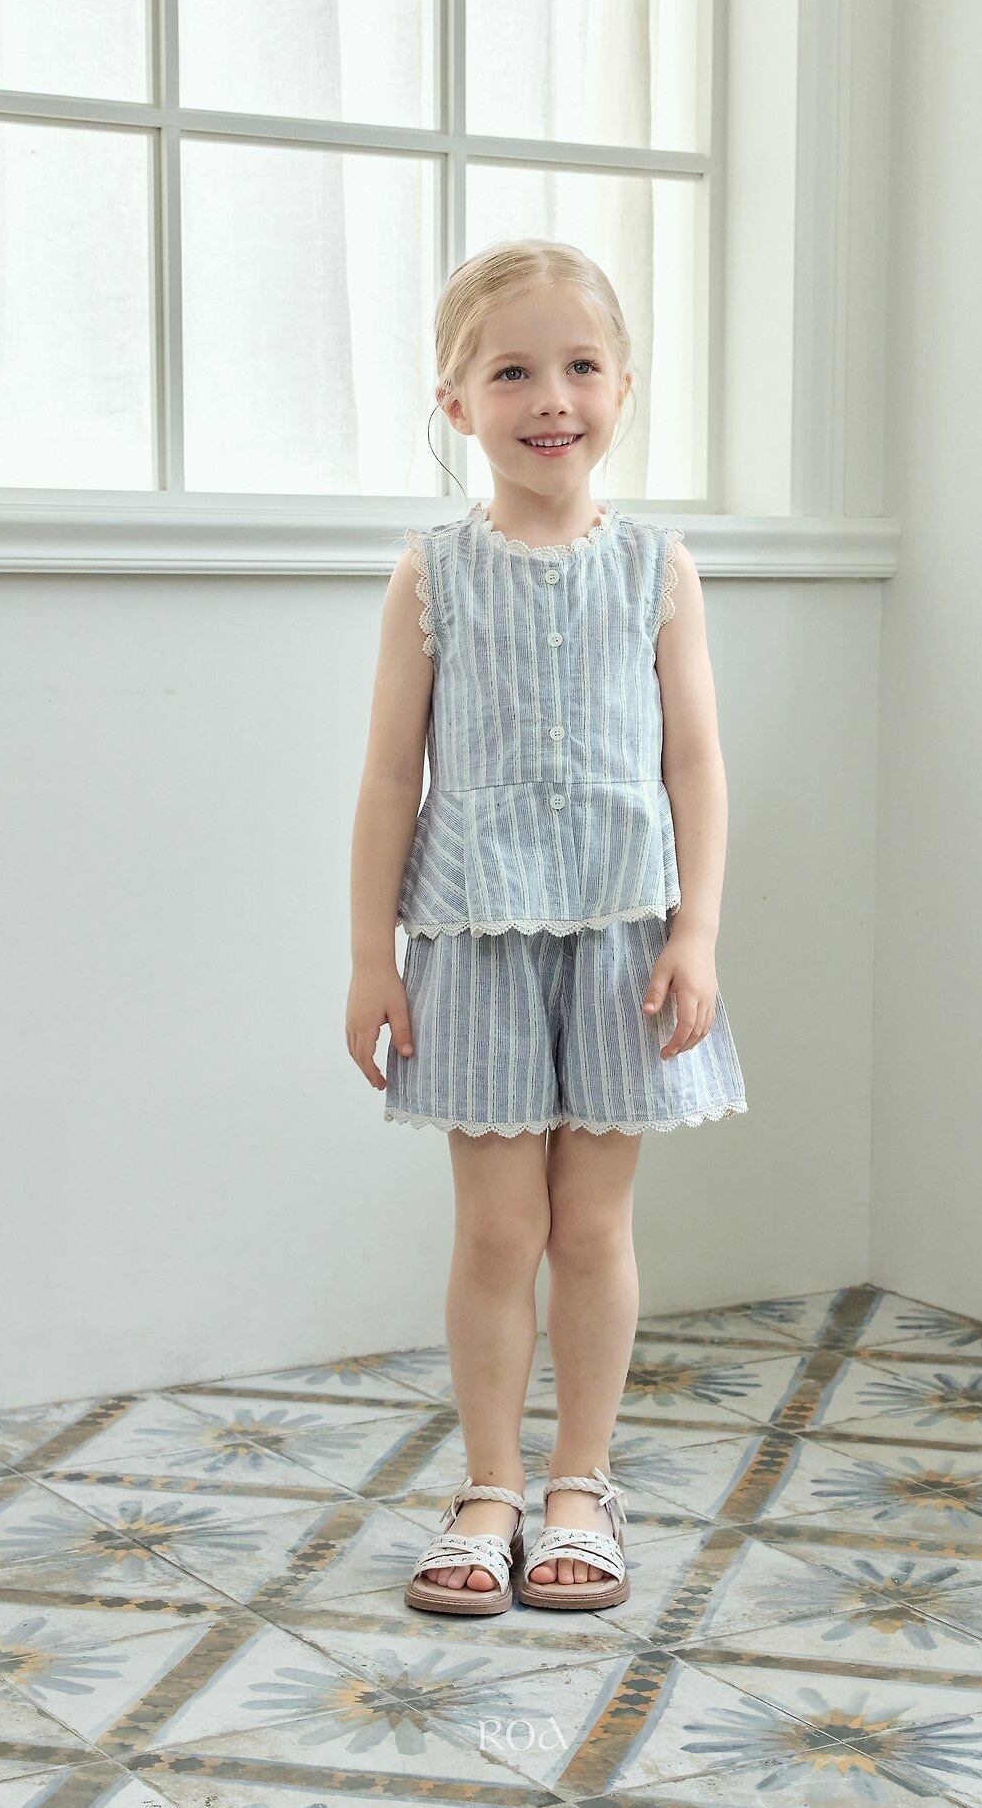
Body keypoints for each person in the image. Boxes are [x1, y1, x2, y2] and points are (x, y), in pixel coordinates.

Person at [346, 238, 747, 1617]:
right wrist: (371, 957)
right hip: (475, 940)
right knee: (496, 1231)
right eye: (511, 372)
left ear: (624, 385)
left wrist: (698, 932)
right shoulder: (433, 576)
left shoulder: (657, 569)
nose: (551, 397)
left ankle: (583, 1480)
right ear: (456, 401)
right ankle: (488, 1488)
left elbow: (696, 763)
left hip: (628, 939)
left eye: (580, 365)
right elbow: (389, 776)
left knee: (592, 1228)